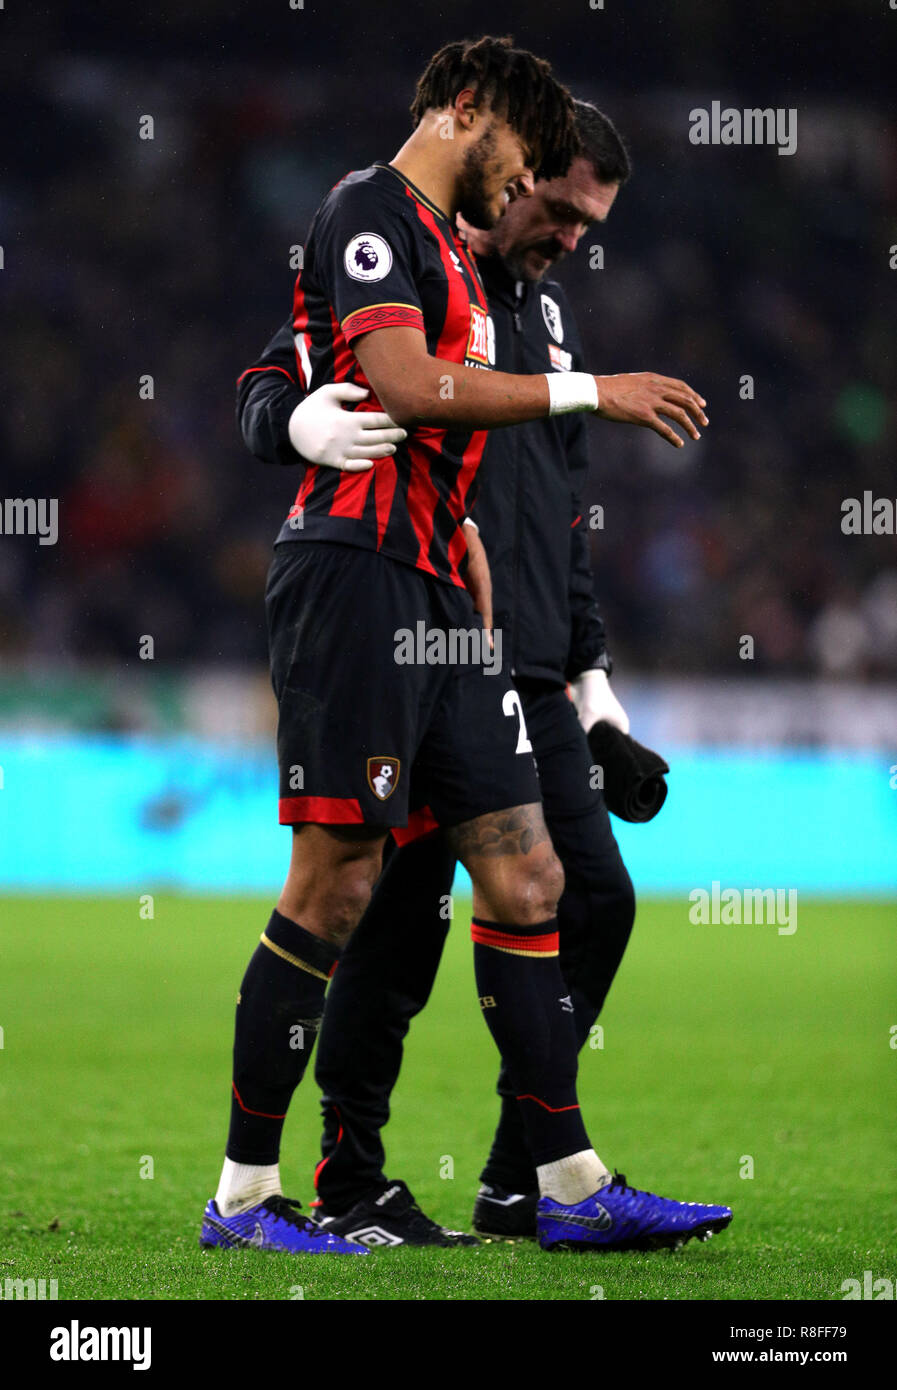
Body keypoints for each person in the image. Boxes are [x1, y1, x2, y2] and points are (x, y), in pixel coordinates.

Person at [203, 35, 726, 1256]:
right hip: (356, 583)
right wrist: (591, 389)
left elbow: (452, 431)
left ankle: (567, 1184)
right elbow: (387, 381)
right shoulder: (369, 212)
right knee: (338, 890)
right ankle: (247, 1193)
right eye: (529, 170)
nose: (529, 193)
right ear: (470, 110)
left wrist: (471, 543)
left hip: (447, 598)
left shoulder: (469, 267)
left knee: (535, 877)